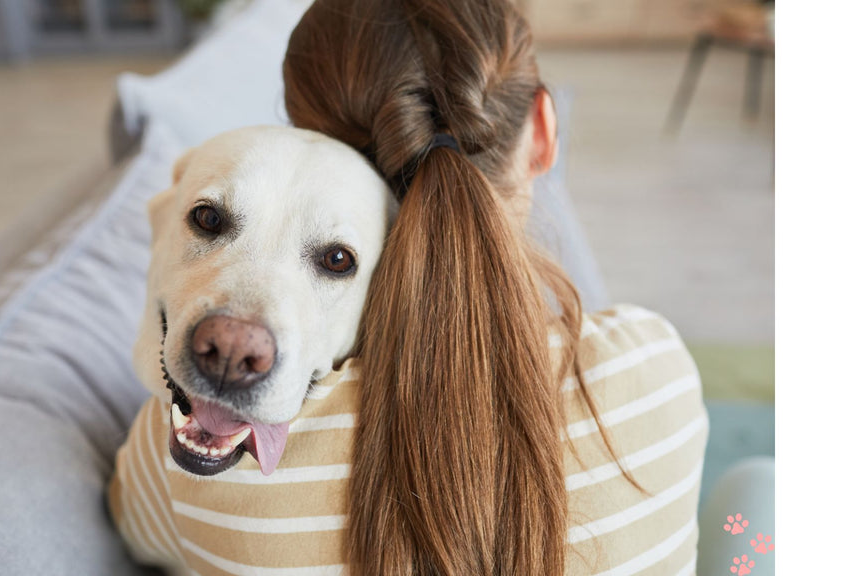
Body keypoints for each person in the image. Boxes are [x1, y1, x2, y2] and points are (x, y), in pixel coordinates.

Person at [109, 0, 708, 574]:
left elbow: (133, 534)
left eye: (336, 259)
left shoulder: (178, 466)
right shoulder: (659, 364)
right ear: (546, 130)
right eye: (211, 222)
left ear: (316, 133)